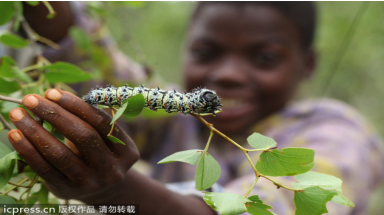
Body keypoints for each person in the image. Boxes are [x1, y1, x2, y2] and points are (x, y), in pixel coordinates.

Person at [5, 2, 384, 215]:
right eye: (207, 53)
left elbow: (264, 209)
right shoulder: (179, 116)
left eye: (265, 58)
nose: (229, 74)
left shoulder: (339, 135)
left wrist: (113, 194)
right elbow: (90, 62)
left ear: (308, 64)